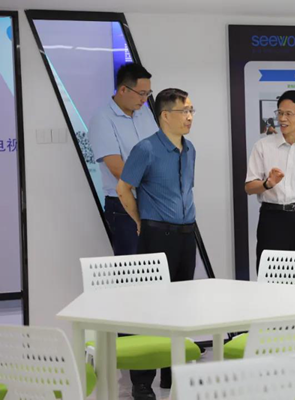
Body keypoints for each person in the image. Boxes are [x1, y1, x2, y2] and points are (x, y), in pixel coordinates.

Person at [116, 88, 197, 399]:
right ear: (165, 115)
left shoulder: (190, 149)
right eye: (184, 111)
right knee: (149, 308)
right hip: (156, 235)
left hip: (186, 235)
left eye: (191, 110)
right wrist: (140, 221)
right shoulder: (146, 149)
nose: (189, 117)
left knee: (181, 306)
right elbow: (124, 189)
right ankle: (141, 381)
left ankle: (172, 372)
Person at [245, 90, 295, 272]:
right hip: (272, 218)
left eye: (288, 114)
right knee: (270, 275)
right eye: (280, 113)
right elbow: (249, 187)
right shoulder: (263, 146)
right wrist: (268, 184)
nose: (282, 118)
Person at [88, 63, 157, 256]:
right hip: (124, 205)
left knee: (156, 266)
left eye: (148, 94)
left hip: (153, 203)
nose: (144, 99)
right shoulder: (102, 119)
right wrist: (158, 182)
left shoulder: (145, 114)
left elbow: (158, 152)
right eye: (141, 93)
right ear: (123, 90)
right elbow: (118, 169)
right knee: (131, 268)